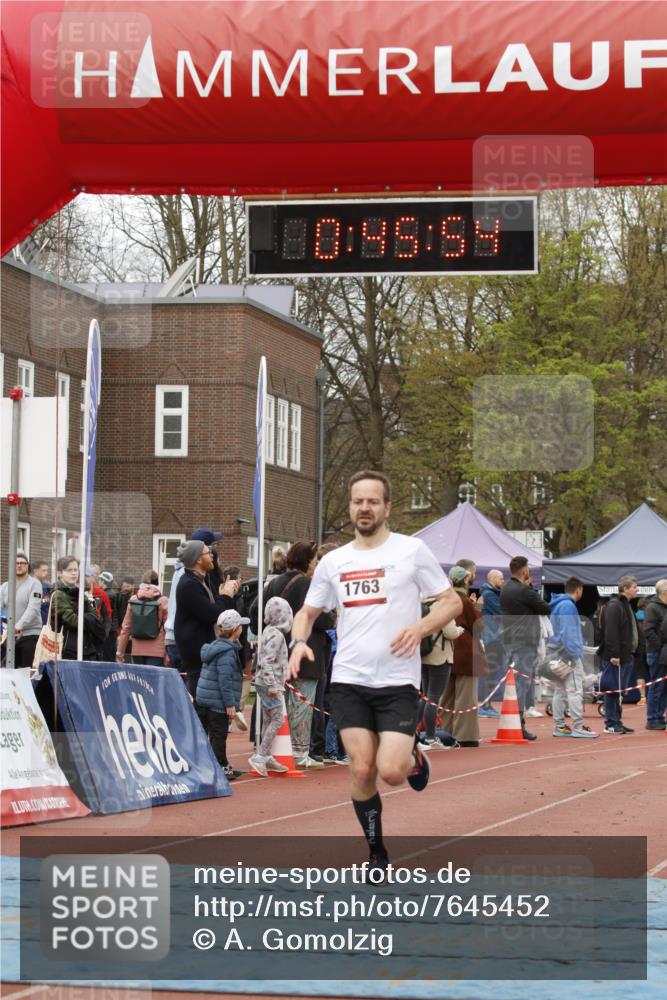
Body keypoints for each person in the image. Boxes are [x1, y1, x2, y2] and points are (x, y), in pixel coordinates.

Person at [288, 470, 461, 871]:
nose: (364, 508)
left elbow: (451, 602)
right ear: (350, 507)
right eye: (357, 501)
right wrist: (298, 641)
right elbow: (309, 611)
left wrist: (420, 628)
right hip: (349, 679)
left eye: (372, 501)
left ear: (387, 507)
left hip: (397, 680)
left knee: (392, 773)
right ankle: (376, 853)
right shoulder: (334, 562)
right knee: (362, 768)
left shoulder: (411, 551)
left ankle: (414, 756)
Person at [264, 541, 335, 769]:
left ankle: (275, 750)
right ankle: (299, 751)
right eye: (314, 561)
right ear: (307, 562)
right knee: (302, 705)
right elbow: (323, 619)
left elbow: (257, 609)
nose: (316, 565)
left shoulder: (274, 583)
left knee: (279, 704)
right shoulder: (307, 584)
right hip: (305, 652)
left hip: (278, 651)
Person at [174, 540, 237, 701]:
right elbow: (212, 615)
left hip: (200, 650)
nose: (211, 556)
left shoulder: (197, 581)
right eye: (208, 553)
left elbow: (210, 609)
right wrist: (226, 596)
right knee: (200, 704)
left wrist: (220, 596)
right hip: (196, 654)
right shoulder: (189, 584)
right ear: (197, 559)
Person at [500, 555, 552, 741]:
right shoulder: (525, 591)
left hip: (510, 640)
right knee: (522, 685)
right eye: (528, 567)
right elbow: (546, 608)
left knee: (514, 684)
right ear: (524, 571)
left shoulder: (505, 588)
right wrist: (530, 588)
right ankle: (519, 725)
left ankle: (513, 722)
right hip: (525, 642)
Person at [196, 608, 248, 781]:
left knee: (206, 735)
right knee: (219, 736)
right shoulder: (227, 652)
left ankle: (214, 765)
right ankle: (219, 767)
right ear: (236, 629)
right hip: (217, 703)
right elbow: (224, 680)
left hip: (204, 699)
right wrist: (230, 704)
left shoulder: (215, 647)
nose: (242, 628)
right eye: (240, 625)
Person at [441, 566, 487, 747]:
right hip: (466, 653)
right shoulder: (464, 601)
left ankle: (444, 732)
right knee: (466, 697)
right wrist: (478, 608)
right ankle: (465, 735)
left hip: (447, 651)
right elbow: (478, 625)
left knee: (447, 697)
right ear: (466, 580)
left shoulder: (445, 599)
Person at [548, 577, 599, 739]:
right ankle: (578, 726)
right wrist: (574, 654)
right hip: (567, 654)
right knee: (575, 690)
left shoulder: (557, 605)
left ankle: (560, 725)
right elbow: (568, 633)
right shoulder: (568, 606)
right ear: (579, 590)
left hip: (556, 652)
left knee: (560, 690)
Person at [248, 596, 291, 777]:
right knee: (278, 719)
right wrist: (273, 685)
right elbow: (267, 661)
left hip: (265, 682)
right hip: (269, 683)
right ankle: (261, 755)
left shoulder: (268, 631)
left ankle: (265, 755)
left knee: (268, 719)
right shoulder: (276, 634)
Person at [418, 597, 463, 747]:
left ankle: (412, 733)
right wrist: (459, 630)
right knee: (433, 698)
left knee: (425, 697)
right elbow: (450, 633)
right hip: (440, 656)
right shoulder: (442, 607)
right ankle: (431, 737)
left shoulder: (421, 603)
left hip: (424, 654)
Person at [599, 574, 639, 734]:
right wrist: (614, 654)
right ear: (625, 588)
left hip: (626, 655)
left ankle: (617, 721)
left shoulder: (625, 605)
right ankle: (611, 723)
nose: (637, 589)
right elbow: (611, 632)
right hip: (616, 657)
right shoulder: (615, 605)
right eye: (635, 587)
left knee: (619, 691)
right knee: (612, 690)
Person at [50, 557, 106, 660]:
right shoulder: (58, 594)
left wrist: (86, 617)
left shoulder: (80, 593)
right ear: (59, 573)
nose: (73, 573)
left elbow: (96, 617)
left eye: (75, 570)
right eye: (69, 570)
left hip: (84, 646)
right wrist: (89, 619)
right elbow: (73, 620)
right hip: (66, 648)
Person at [116, 571, 169, 666]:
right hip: (157, 652)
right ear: (157, 583)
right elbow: (167, 628)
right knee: (153, 680)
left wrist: (120, 652)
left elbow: (126, 627)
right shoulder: (163, 601)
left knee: (139, 680)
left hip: (137, 651)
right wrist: (168, 653)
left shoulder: (134, 600)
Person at [0, 551, 43, 667]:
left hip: (30, 633)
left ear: (27, 565)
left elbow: (33, 608)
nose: (19, 565)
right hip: (11, 635)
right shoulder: (5, 587)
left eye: (23, 563)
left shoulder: (35, 584)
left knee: (26, 672)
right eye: (16, 563)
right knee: (7, 670)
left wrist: (19, 625)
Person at [478, 569, 504, 717]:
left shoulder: (490, 594)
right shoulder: (489, 595)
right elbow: (502, 613)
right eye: (500, 579)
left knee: (492, 673)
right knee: (491, 672)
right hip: (491, 638)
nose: (502, 581)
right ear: (493, 579)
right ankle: (485, 705)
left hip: (493, 637)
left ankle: (486, 704)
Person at [643, 579, 667, 730]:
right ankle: (652, 718)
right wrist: (660, 647)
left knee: (664, 687)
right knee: (656, 685)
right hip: (656, 652)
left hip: (664, 652)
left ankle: (659, 716)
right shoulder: (653, 607)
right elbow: (648, 631)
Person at [31, 560, 52, 625]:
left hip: (46, 624)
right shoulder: (29, 585)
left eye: (47, 570)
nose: (46, 573)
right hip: (33, 624)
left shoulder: (48, 585)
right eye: (44, 570)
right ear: (35, 571)